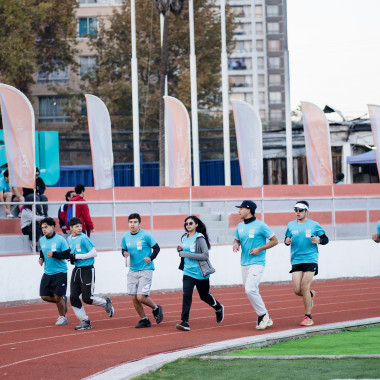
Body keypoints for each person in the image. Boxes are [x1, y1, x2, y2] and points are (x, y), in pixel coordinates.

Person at [233, 200, 278, 330]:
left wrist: (260, 249)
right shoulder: (240, 226)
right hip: (244, 263)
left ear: (248, 210)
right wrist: (236, 244)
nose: (238, 211)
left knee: (250, 289)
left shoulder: (261, 225)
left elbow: (274, 241)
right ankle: (265, 316)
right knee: (251, 290)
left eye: (240, 209)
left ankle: (263, 315)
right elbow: (237, 239)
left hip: (257, 263)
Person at [284, 201, 329, 327]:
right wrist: (287, 241)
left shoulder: (314, 225)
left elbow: (326, 239)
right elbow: (286, 239)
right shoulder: (291, 225)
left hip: (311, 259)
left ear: (306, 211)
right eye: (296, 210)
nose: (297, 212)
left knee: (304, 286)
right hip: (296, 260)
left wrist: (319, 240)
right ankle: (310, 294)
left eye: (300, 210)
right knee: (297, 290)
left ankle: (308, 317)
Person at [176, 216, 224, 332]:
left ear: (196, 224)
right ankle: (185, 322)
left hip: (201, 272)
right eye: (186, 223)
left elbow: (205, 255)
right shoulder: (184, 237)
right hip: (188, 272)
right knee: (186, 295)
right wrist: (180, 250)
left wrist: (185, 254)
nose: (188, 225)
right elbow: (184, 252)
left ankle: (218, 307)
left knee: (204, 295)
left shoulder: (199, 238)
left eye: (190, 223)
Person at [67, 217, 114, 330]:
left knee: (87, 298)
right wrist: (71, 258)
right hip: (76, 270)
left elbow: (94, 253)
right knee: (73, 297)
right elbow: (72, 253)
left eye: (80, 226)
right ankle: (85, 321)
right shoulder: (69, 239)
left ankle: (105, 302)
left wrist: (76, 256)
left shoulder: (84, 238)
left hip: (87, 270)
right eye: (76, 226)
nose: (79, 228)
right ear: (71, 228)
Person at [121, 213, 163, 328]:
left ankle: (156, 308)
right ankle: (144, 319)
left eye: (135, 222)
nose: (132, 224)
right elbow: (123, 249)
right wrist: (124, 254)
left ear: (139, 223)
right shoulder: (126, 236)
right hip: (132, 270)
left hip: (146, 269)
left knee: (141, 297)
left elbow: (157, 248)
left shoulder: (146, 235)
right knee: (134, 297)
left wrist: (151, 258)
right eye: (130, 222)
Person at [38, 217, 70, 326]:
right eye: (42, 228)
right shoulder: (42, 239)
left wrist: (54, 254)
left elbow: (67, 254)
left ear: (52, 226)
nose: (44, 229)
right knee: (44, 296)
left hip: (60, 272)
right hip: (47, 272)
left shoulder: (60, 239)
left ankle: (62, 317)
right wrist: (41, 259)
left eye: (46, 227)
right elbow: (42, 251)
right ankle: (62, 300)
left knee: (57, 295)